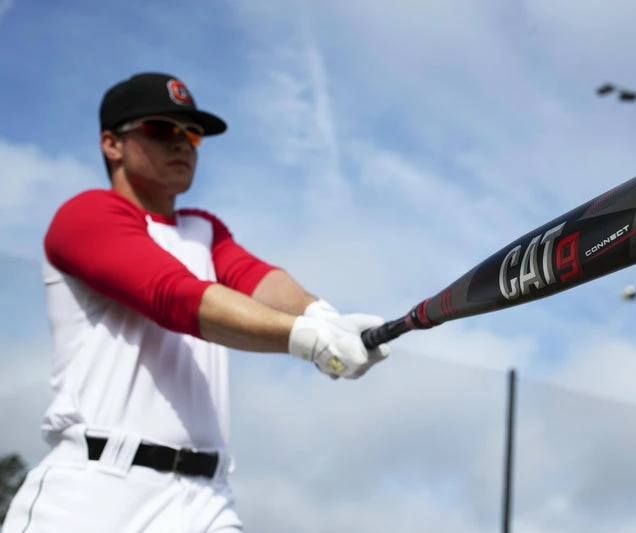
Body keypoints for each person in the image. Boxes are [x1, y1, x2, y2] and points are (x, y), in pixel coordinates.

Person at [1, 72, 390, 532]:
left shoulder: (203, 229)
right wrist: (308, 340)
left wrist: (322, 316)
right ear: (111, 144)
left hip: (206, 498)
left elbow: (256, 279)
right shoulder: (84, 215)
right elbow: (173, 296)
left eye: (192, 133)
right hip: (95, 490)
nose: (181, 143)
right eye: (160, 129)